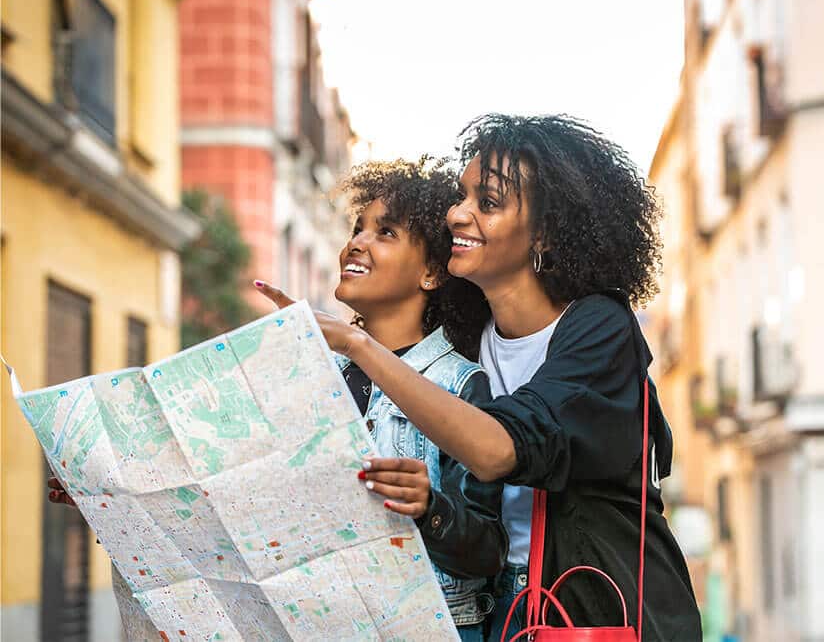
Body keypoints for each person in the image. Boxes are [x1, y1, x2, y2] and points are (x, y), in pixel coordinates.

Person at [256, 115, 703, 641]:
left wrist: (357, 343)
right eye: (462, 196)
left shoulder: (601, 328)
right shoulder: (467, 341)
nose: (457, 215)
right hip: (495, 609)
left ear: (546, 232)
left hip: (590, 607)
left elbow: (499, 450)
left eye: (486, 203)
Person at [52, 157, 507, 642]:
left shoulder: (461, 386)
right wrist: (113, 495)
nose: (356, 242)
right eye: (357, 228)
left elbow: (490, 550)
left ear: (433, 274)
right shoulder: (306, 371)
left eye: (385, 232)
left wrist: (429, 508)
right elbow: (233, 500)